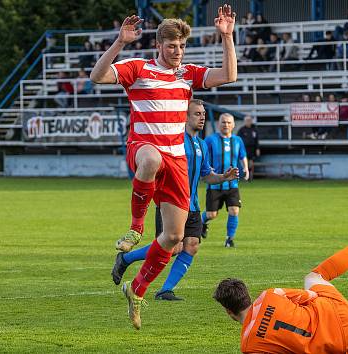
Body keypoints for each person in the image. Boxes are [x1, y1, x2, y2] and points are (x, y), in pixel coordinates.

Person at [90, 4, 238, 330]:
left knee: (173, 237)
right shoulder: (138, 68)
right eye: (172, 45)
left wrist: (227, 36)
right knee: (151, 158)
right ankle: (135, 227)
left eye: (182, 46)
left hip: (178, 161)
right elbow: (97, 76)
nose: (177, 51)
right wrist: (119, 43)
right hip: (143, 149)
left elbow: (229, 76)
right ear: (159, 45)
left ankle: (138, 290)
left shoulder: (188, 74)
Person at [213, 220, 348, 354]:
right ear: (247, 294)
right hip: (338, 310)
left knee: (337, 343)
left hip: (332, 345)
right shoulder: (269, 295)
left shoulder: (249, 345)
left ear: (229, 312)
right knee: (314, 277)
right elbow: (310, 296)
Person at [111, 100, 239, 301]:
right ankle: (125, 259)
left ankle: (165, 290)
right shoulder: (173, 142)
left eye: (203, 113)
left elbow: (207, 175)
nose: (202, 117)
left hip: (193, 205)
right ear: (184, 117)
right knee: (172, 248)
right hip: (171, 204)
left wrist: (223, 177)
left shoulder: (202, 144)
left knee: (192, 245)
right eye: (197, 113)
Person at [201, 113, 249, 247]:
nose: (226, 125)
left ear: (233, 125)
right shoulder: (210, 140)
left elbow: (242, 156)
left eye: (229, 122)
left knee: (234, 210)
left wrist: (246, 168)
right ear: (218, 124)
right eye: (223, 122)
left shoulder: (238, 140)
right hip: (215, 184)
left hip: (232, 184)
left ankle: (229, 239)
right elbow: (203, 155)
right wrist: (205, 168)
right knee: (211, 214)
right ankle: (202, 222)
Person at [236, 115, 260, 180]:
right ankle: (245, 175)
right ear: (245, 121)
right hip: (244, 149)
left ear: (251, 121)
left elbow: (257, 140)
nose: (248, 122)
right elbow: (237, 140)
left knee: (251, 163)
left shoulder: (254, 129)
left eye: (249, 120)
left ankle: (250, 176)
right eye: (247, 120)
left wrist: (257, 149)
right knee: (244, 162)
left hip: (252, 149)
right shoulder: (242, 130)